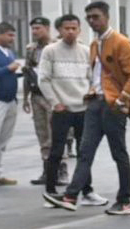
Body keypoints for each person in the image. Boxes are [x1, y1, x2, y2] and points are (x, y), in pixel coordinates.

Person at [44, 1, 130, 215]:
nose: (91, 21)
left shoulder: (121, 42)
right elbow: (97, 75)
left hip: (112, 105)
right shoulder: (95, 44)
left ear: (107, 17)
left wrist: (122, 98)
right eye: (88, 17)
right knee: (84, 152)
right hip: (95, 102)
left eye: (96, 16)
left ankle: (124, 201)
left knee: (119, 153)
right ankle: (71, 196)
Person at [39, 14, 98, 206]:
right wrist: (55, 102)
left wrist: (91, 96)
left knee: (84, 151)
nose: (70, 31)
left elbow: (92, 79)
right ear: (59, 30)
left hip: (83, 109)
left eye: (74, 28)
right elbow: (44, 79)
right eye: (67, 28)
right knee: (56, 151)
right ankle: (50, 192)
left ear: (80, 30)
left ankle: (87, 191)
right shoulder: (50, 51)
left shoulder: (87, 50)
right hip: (62, 109)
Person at [23, 16, 56, 185]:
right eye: (33, 29)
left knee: (56, 134)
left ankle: (60, 171)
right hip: (37, 96)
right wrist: (25, 98)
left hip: (53, 96)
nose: (35, 32)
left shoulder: (57, 46)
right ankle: (47, 171)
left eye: (38, 28)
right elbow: (28, 73)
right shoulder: (31, 49)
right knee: (42, 134)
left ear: (47, 28)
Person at [0, 22, 21, 186]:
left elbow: (10, 72)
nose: (12, 39)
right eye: (9, 35)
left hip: (10, 100)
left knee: (3, 139)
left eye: (13, 35)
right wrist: (8, 69)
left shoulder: (9, 52)